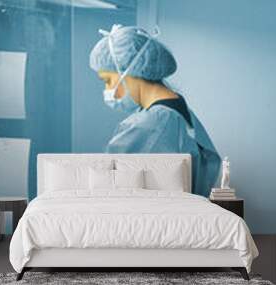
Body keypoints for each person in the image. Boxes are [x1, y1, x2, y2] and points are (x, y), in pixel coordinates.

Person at [89, 24, 221, 197]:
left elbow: (109, 183)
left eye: (107, 80)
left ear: (129, 71)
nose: (107, 88)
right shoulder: (176, 107)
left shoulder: (151, 124)